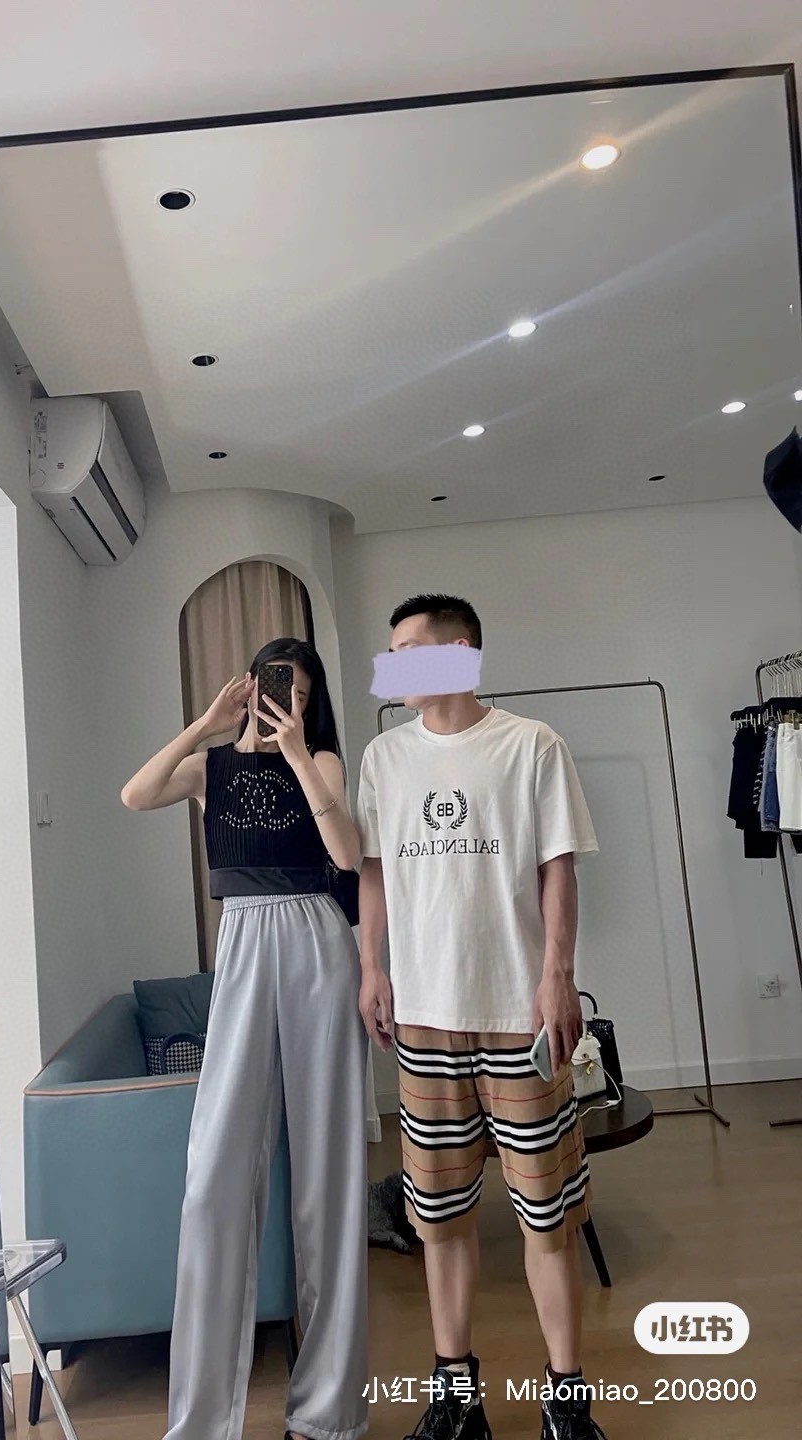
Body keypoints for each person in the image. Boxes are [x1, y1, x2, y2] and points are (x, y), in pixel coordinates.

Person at [356, 595, 606, 1440]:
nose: (392, 668)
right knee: (440, 1220)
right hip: (424, 1020)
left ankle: (565, 1403)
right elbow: (373, 871)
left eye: (408, 651)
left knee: (548, 1217)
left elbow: (559, 868)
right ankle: (457, 1400)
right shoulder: (384, 757)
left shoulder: (532, 745)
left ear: (459, 651)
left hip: (516, 1016)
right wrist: (371, 967)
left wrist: (558, 975)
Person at [121, 638, 368, 1440]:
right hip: (242, 937)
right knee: (214, 1174)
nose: (283, 699)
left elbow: (347, 855)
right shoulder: (212, 769)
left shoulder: (321, 761)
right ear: (249, 686)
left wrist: (294, 751)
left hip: (317, 939)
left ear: (310, 700)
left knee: (330, 1171)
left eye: (298, 690)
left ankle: (326, 1412)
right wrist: (205, 725)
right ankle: (202, 1419)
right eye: (272, 684)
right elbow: (135, 794)